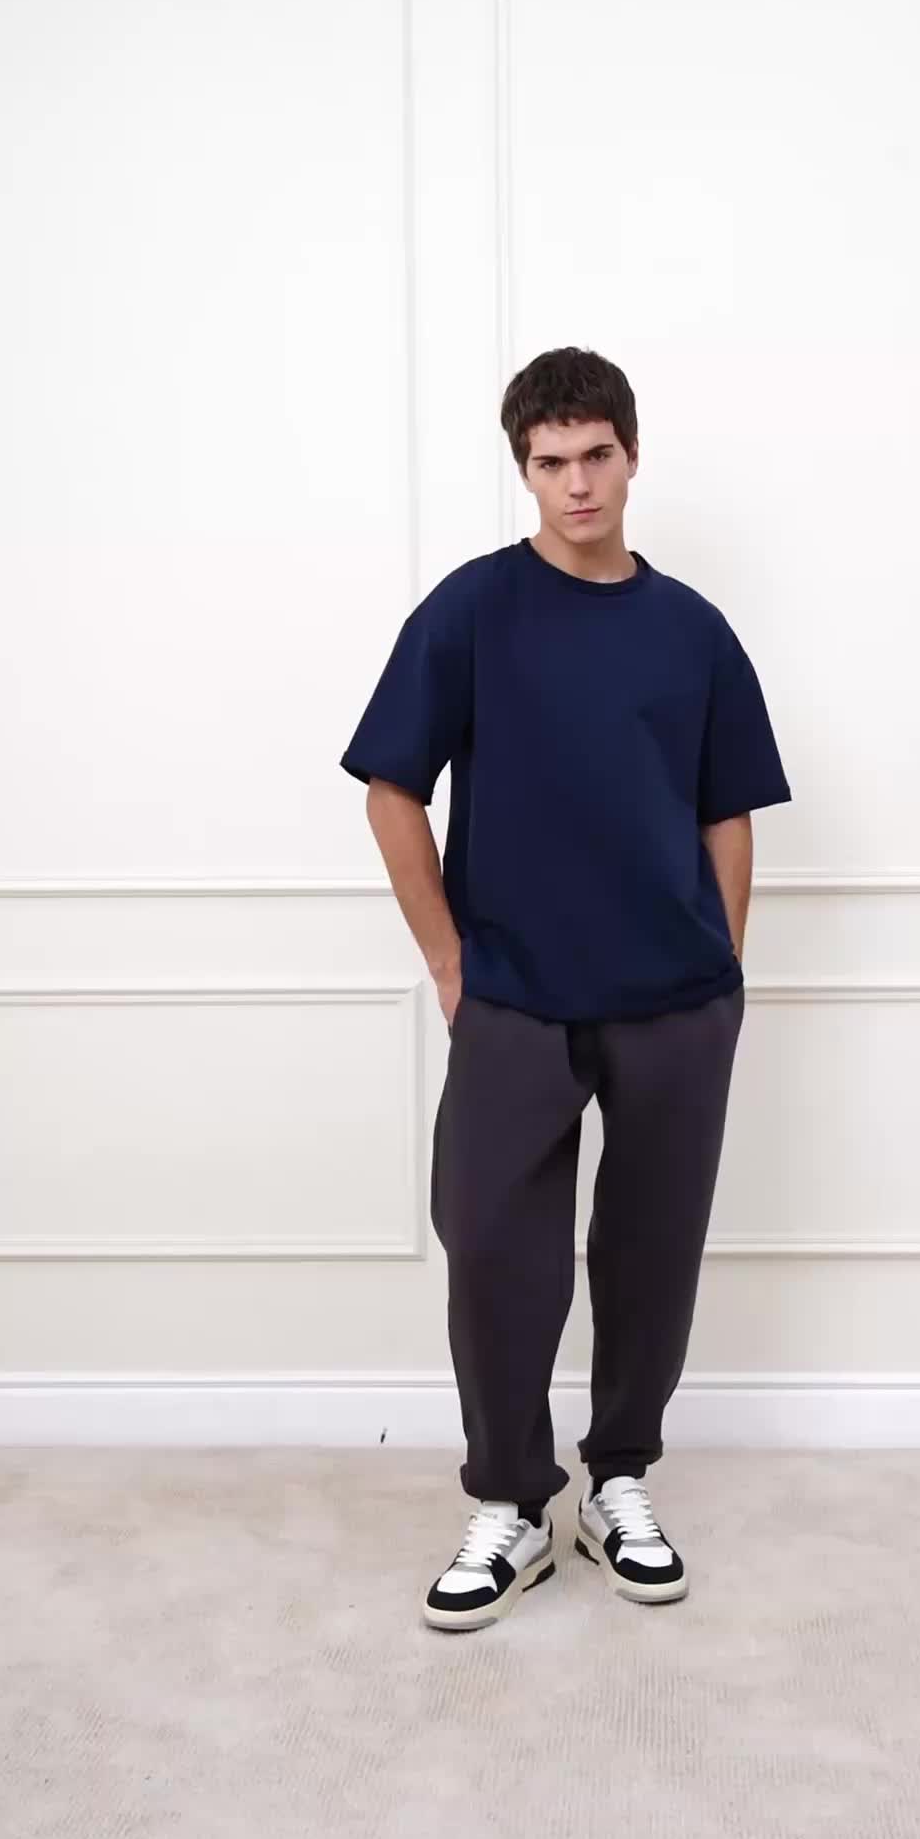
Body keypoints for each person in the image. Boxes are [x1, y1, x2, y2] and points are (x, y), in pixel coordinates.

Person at [339, 346, 792, 1631]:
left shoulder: (692, 630)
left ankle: (620, 1479)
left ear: (632, 457)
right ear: (524, 470)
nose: (578, 483)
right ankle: (512, 1502)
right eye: (551, 463)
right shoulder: (475, 611)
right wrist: (447, 958)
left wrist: (726, 969)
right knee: (492, 1244)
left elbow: (726, 811)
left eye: (597, 456)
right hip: (517, 996)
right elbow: (391, 790)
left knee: (651, 1252)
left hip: (675, 998)